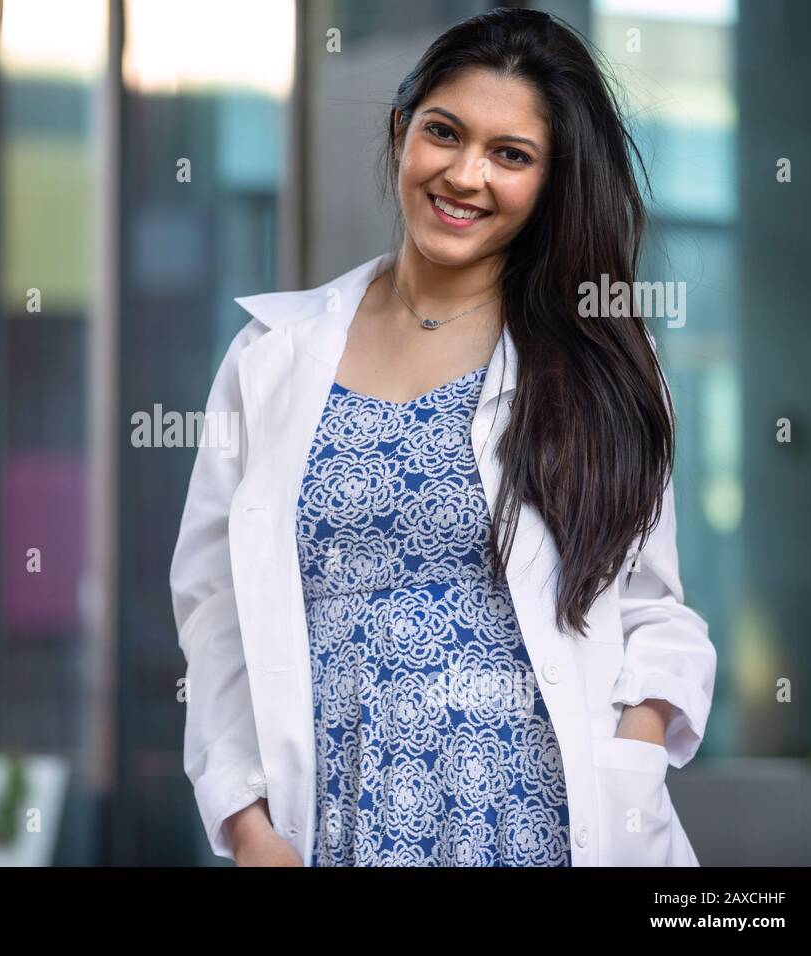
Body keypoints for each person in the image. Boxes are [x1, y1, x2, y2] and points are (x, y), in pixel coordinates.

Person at [170, 7, 716, 867]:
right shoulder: (268, 360)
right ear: (401, 131)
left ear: (550, 182)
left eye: (511, 155)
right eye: (444, 133)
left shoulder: (600, 358)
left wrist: (635, 755)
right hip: (335, 819)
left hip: (543, 824)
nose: (465, 175)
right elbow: (213, 614)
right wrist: (247, 828)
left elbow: (653, 608)